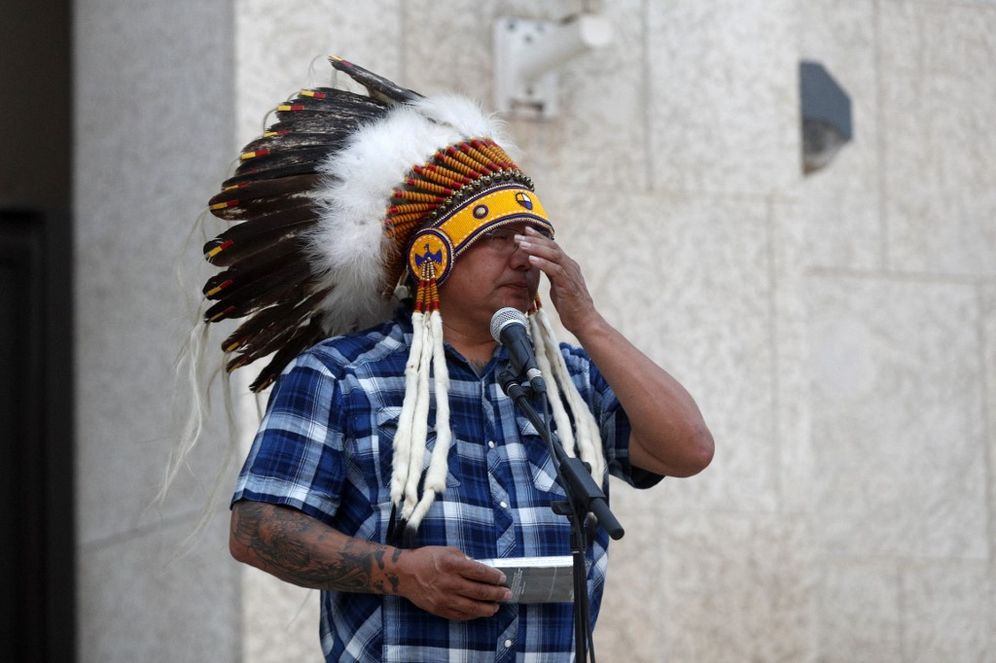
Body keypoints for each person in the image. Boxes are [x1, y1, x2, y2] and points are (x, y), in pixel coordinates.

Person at [203, 58, 713, 662]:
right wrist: (397, 571)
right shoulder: (339, 375)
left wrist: (589, 324)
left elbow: (688, 451)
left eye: (535, 236)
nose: (527, 256)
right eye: (499, 237)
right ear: (431, 255)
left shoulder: (570, 379)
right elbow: (258, 531)